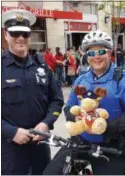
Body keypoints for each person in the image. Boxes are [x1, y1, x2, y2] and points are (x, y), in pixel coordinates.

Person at [62, 30, 125, 175]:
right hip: (81, 142)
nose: (96, 57)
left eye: (101, 51)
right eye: (91, 53)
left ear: (110, 53)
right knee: (52, 171)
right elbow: (69, 108)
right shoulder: (81, 80)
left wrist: (104, 128)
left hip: (113, 145)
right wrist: (77, 119)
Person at [1, 9, 64, 175]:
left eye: (25, 33)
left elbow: (56, 100)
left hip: (40, 146)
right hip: (9, 149)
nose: (21, 38)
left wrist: (46, 123)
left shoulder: (42, 67)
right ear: (6, 34)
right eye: (15, 33)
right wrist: (11, 131)